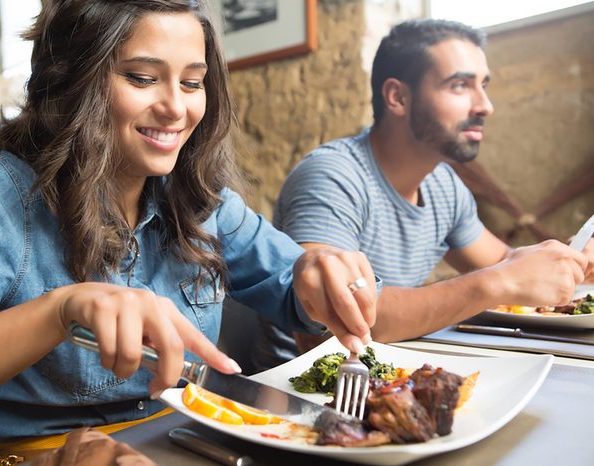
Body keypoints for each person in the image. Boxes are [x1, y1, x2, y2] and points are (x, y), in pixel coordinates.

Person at [0, 0, 379, 463]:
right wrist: (59, 312)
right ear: (73, 78)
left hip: (203, 443)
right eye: (143, 78)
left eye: (192, 83)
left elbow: (299, 291)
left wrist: (321, 277)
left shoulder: (197, 198)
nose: (175, 107)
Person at [252, 18, 592, 371]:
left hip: (393, 376)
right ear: (397, 97)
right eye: (460, 86)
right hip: (297, 394)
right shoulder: (332, 177)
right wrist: (500, 281)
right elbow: (340, 315)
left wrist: (570, 261)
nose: (485, 106)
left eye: (484, 86)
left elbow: (507, 264)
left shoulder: (443, 184)